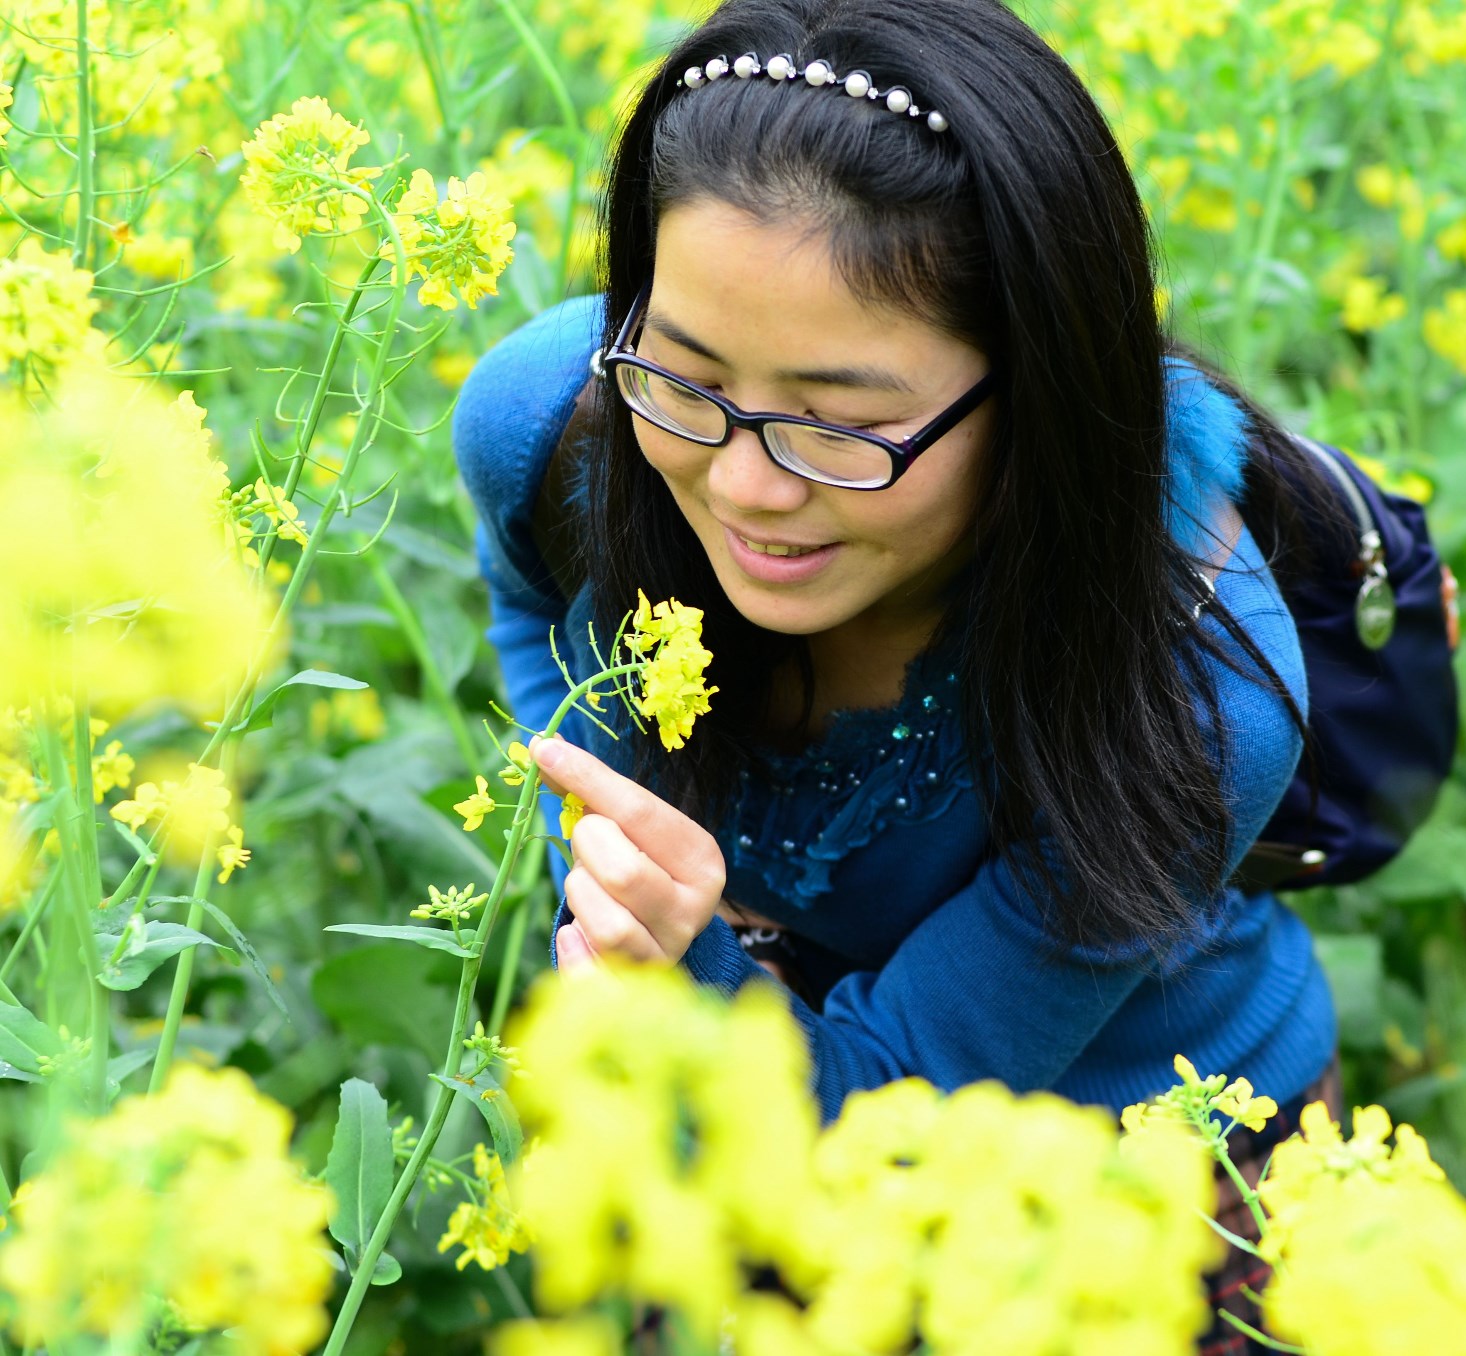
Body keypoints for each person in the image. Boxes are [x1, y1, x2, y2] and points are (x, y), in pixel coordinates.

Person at [451, 0, 1350, 1346]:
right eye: (688, 381)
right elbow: (535, 604)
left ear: (1038, 386)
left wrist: (680, 959)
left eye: (842, 430)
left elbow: (891, 1093)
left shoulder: (1198, 682)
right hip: (745, 1097)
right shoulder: (560, 421)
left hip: (1146, 1173)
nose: (746, 488)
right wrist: (607, 834)